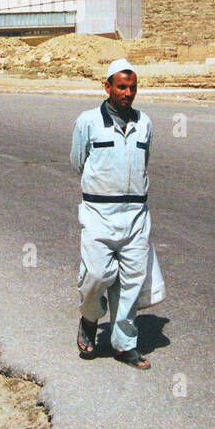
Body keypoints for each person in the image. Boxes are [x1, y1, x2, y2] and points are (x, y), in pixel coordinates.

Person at [70, 58, 165, 370]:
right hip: (99, 212)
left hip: (135, 214)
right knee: (96, 275)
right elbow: (77, 161)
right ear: (107, 87)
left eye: (132, 87)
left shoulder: (144, 122)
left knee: (131, 281)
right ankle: (90, 318)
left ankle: (125, 344)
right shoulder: (88, 122)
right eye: (121, 87)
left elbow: (143, 162)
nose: (128, 93)